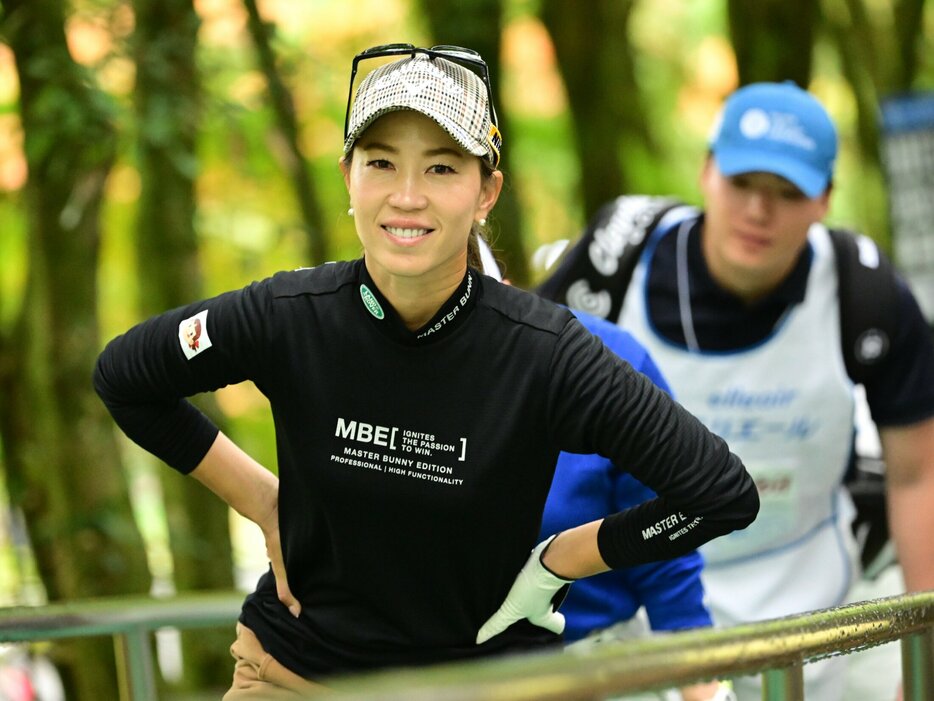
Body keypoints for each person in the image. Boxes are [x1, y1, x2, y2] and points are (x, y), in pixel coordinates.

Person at [93, 44, 759, 699]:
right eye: (381, 162)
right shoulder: (289, 315)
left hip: (485, 683)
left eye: (441, 169)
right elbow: (125, 377)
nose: (407, 196)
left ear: (486, 192)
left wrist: (558, 561)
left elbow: (719, 493)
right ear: (348, 177)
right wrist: (267, 505)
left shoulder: (545, 351)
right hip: (294, 674)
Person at [538, 81, 934, 701]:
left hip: (815, 626)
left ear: (825, 200)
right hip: (638, 628)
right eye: (744, 182)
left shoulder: (866, 292)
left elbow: (918, 474)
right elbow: (523, 422)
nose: (759, 211)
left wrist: (925, 657)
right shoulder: (616, 263)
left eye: (787, 192)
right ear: (706, 172)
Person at [478, 244, 730, 701]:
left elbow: (677, 530)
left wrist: (704, 689)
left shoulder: (604, 356)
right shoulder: (354, 365)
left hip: (594, 667)